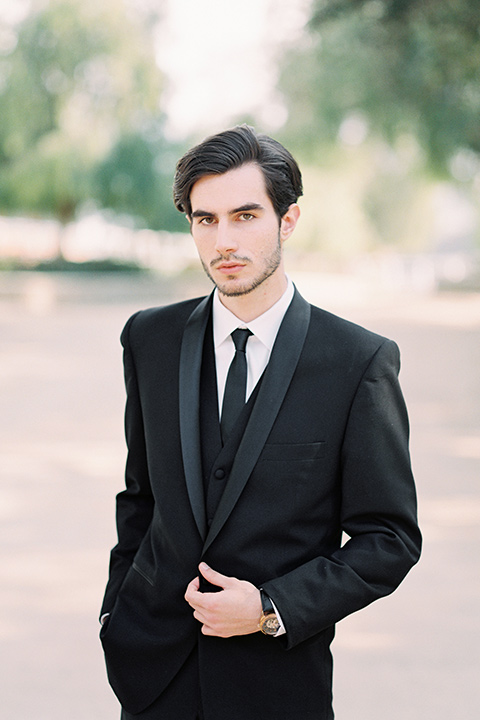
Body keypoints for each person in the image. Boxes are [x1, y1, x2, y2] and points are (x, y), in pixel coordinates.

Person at [100, 125, 421, 720]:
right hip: (152, 676)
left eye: (245, 216)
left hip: (275, 688)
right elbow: (140, 496)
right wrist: (113, 614)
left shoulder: (358, 362)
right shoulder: (149, 338)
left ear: (288, 220)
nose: (224, 240)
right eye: (206, 219)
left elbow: (390, 539)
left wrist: (272, 606)